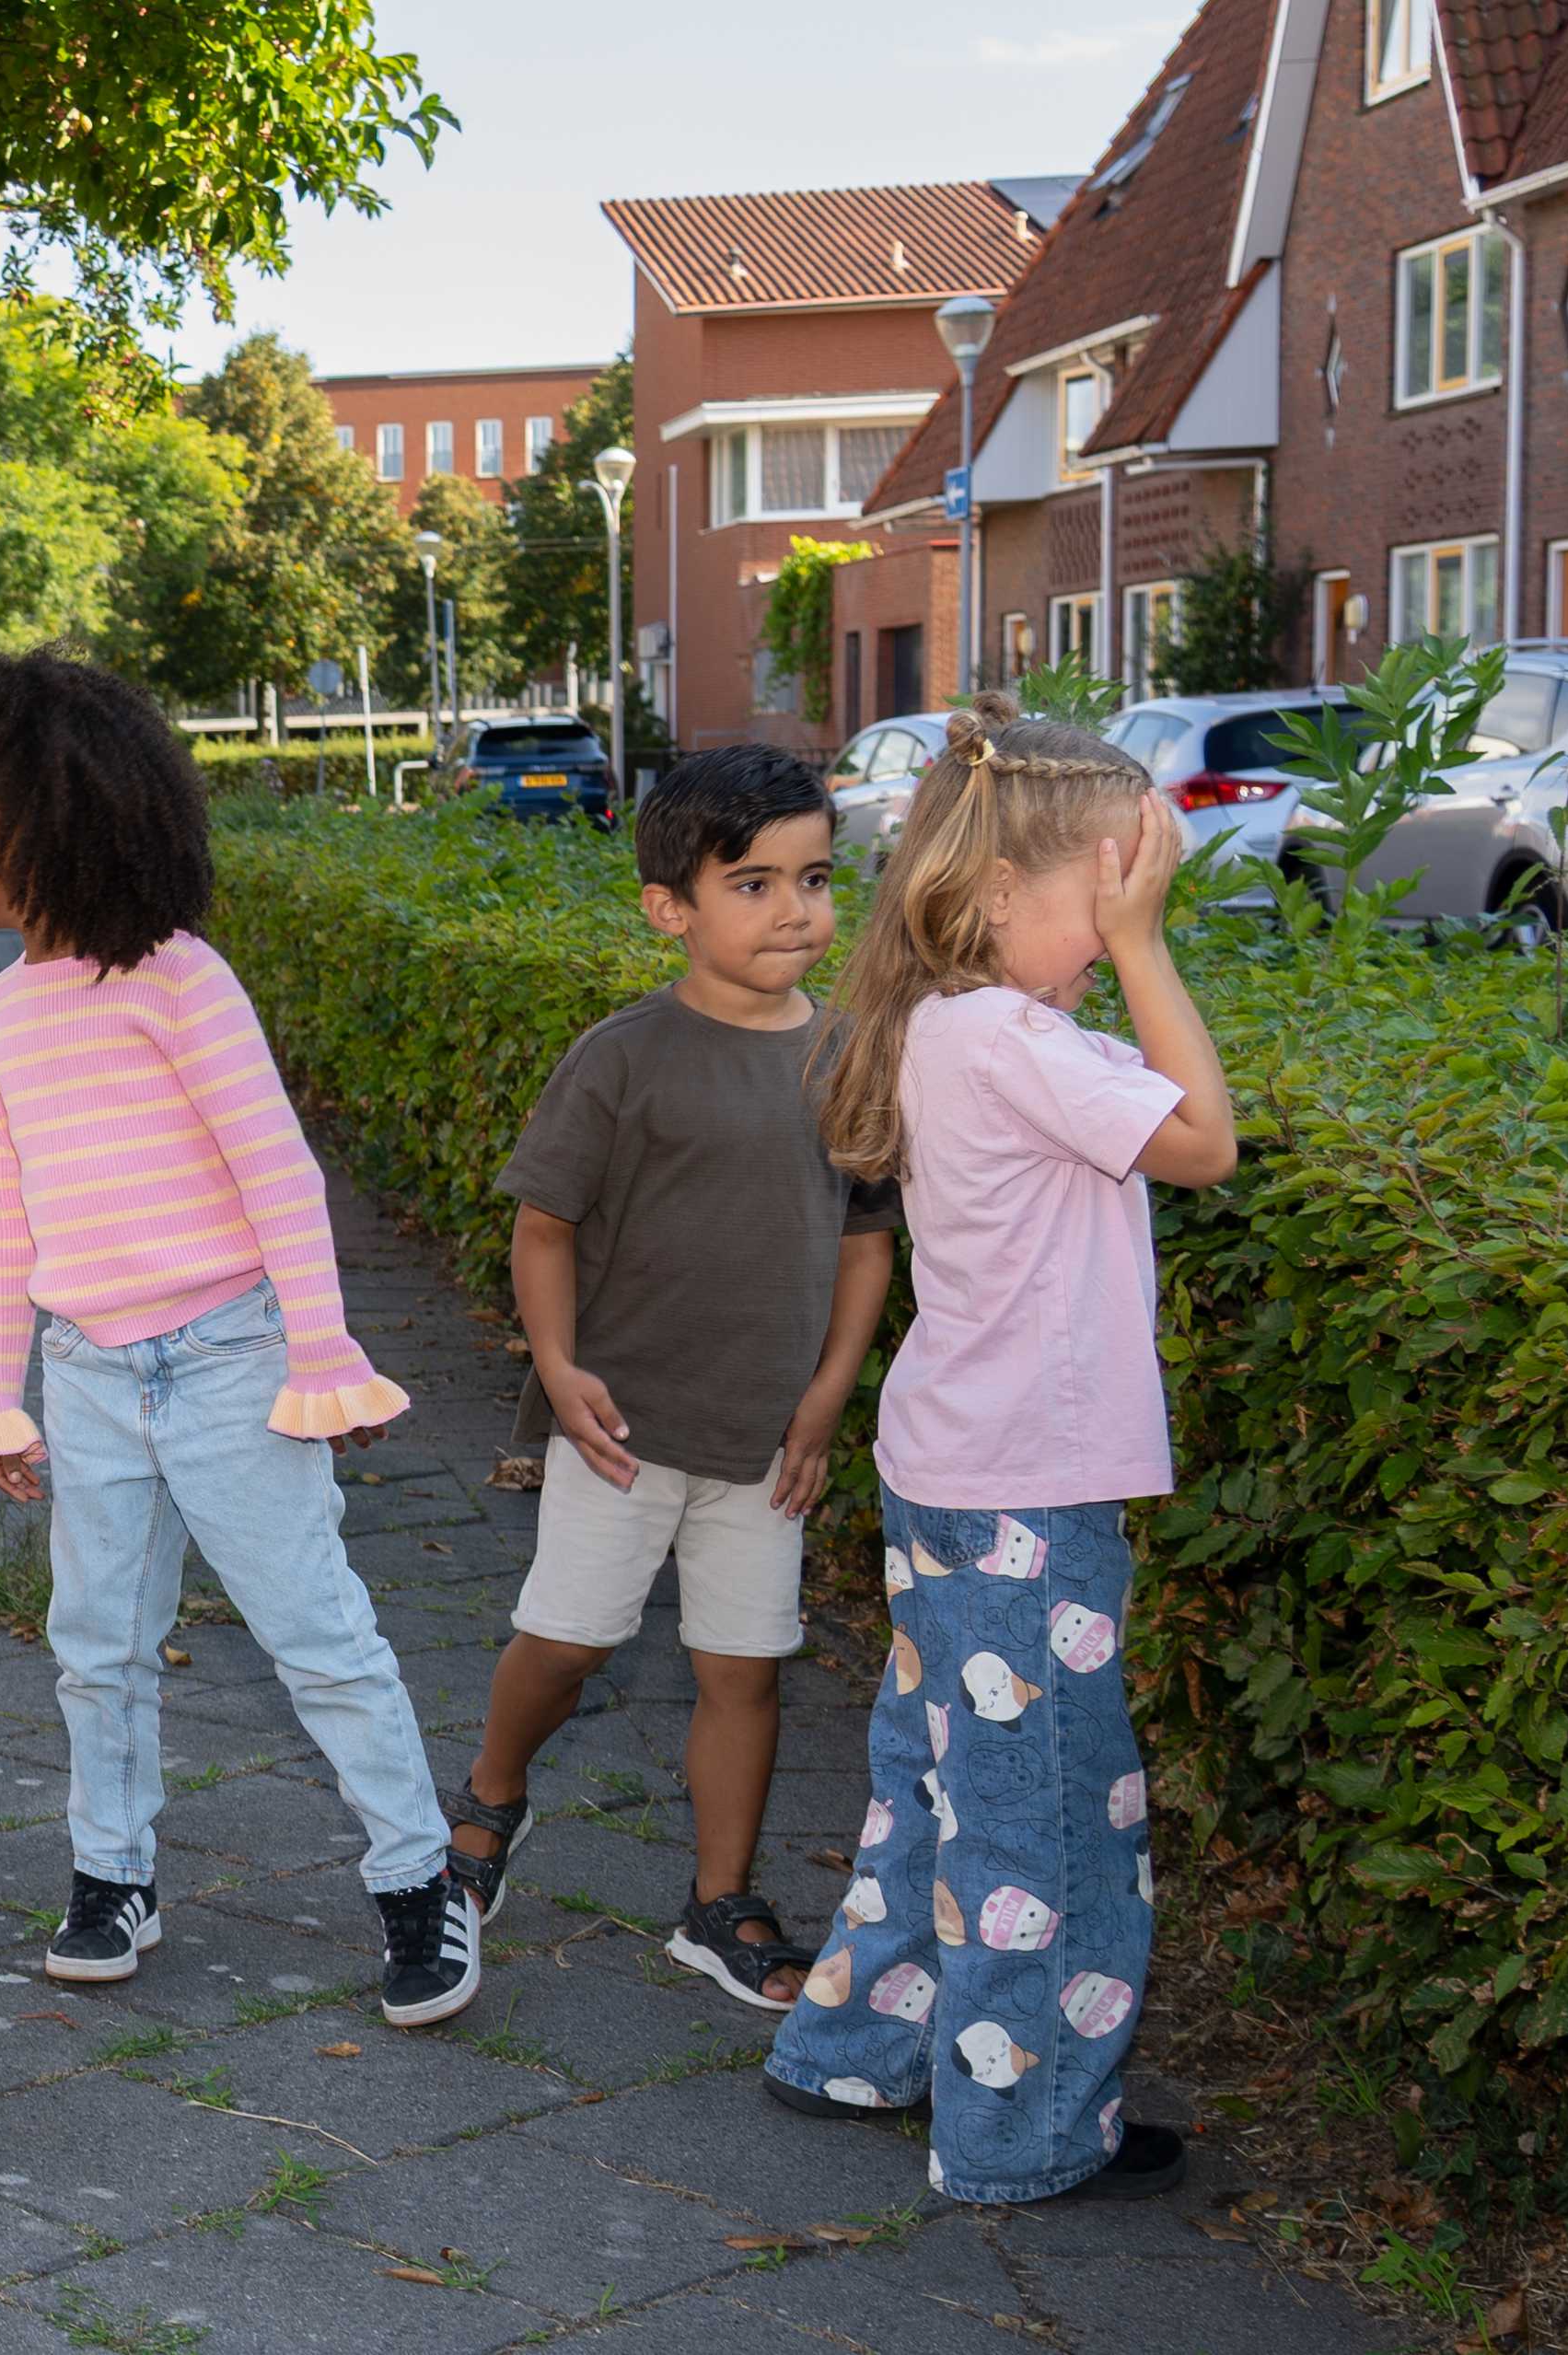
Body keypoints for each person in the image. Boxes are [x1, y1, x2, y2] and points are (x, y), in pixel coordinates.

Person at [0, 646, 485, 2029]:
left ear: (44, 832)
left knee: (315, 1631)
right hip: (92, 1371)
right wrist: (0, 1392)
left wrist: (321, 1352)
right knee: (94, 1642)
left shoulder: (181, 980)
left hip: (232, 1360)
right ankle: (112, 1873)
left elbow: (277, 1171)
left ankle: (420, 1881)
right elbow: (4, 1218)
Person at [763, 691, 1235, 2205]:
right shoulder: (1011, 1037)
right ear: (984, 897)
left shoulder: (942, 1025)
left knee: (938, 1774)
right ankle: (1021, 2134)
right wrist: (1151, 951)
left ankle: (858, 2042)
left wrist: (1108, 923)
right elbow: (1207, 1143)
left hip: (954, 1466)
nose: (1114, 931)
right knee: (1040, 1814)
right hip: (1025, 1486)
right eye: (1099, 898)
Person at [446, 747, 901, 2012]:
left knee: (741, 1665)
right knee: (569, 1639)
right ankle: (491, 1791)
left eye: (813, 879)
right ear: (670, 907)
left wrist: (825, 1396)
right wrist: (555, 1363)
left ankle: (718, 1900)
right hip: (623, 1426)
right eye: (751, 883)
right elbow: (543, 1225)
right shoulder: (622, 1055)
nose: (795, 910)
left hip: (768, 1435)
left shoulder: (850, 1054)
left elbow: (868, 1235)